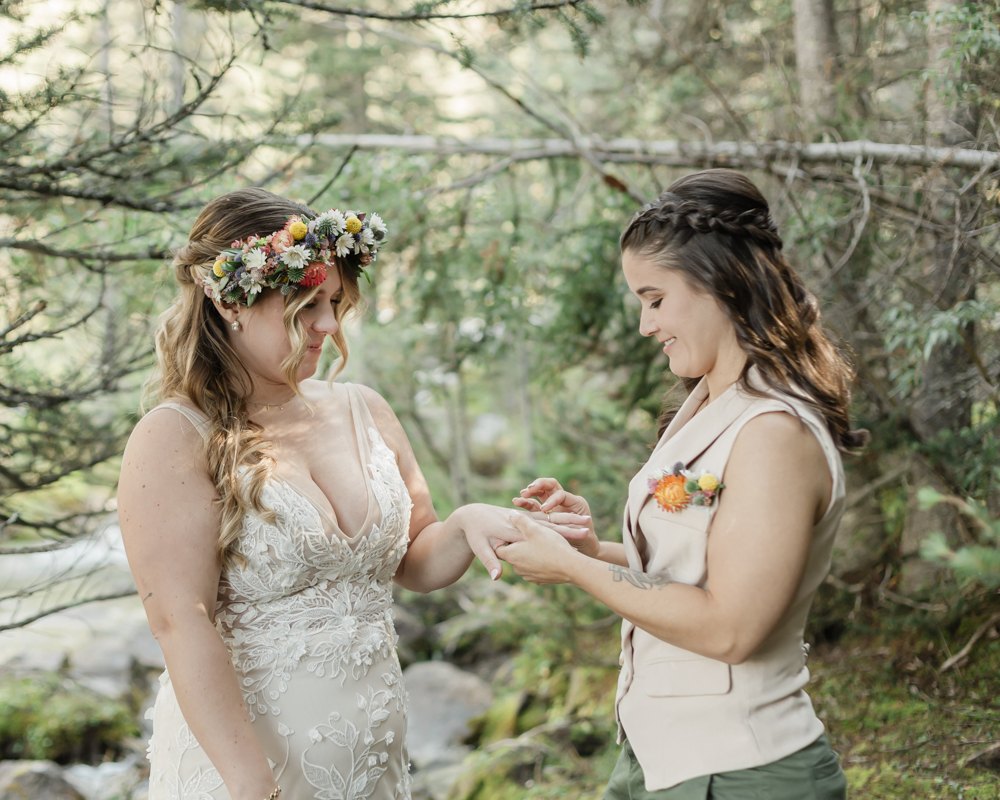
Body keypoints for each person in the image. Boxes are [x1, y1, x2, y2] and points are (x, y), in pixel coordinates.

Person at [118, 188, 583, 800]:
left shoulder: (364, 409)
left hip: (373, 766)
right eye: (305, 303)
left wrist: (469, 522)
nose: (328, 325)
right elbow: (181, 621)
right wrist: (250, 783)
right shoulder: (175, 436)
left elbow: (415, 559)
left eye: (335, 302)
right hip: (244, 772)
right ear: (230, 298)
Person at [498, 169, 860, 799]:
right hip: (657, 763)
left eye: (655, 299)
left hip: (742, 773)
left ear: (722, 283)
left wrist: (572, 570)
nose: (645, 324)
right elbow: (694, 572)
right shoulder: (706, 404)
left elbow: (730, 628)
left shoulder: (773, 431)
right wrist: (593, 549)